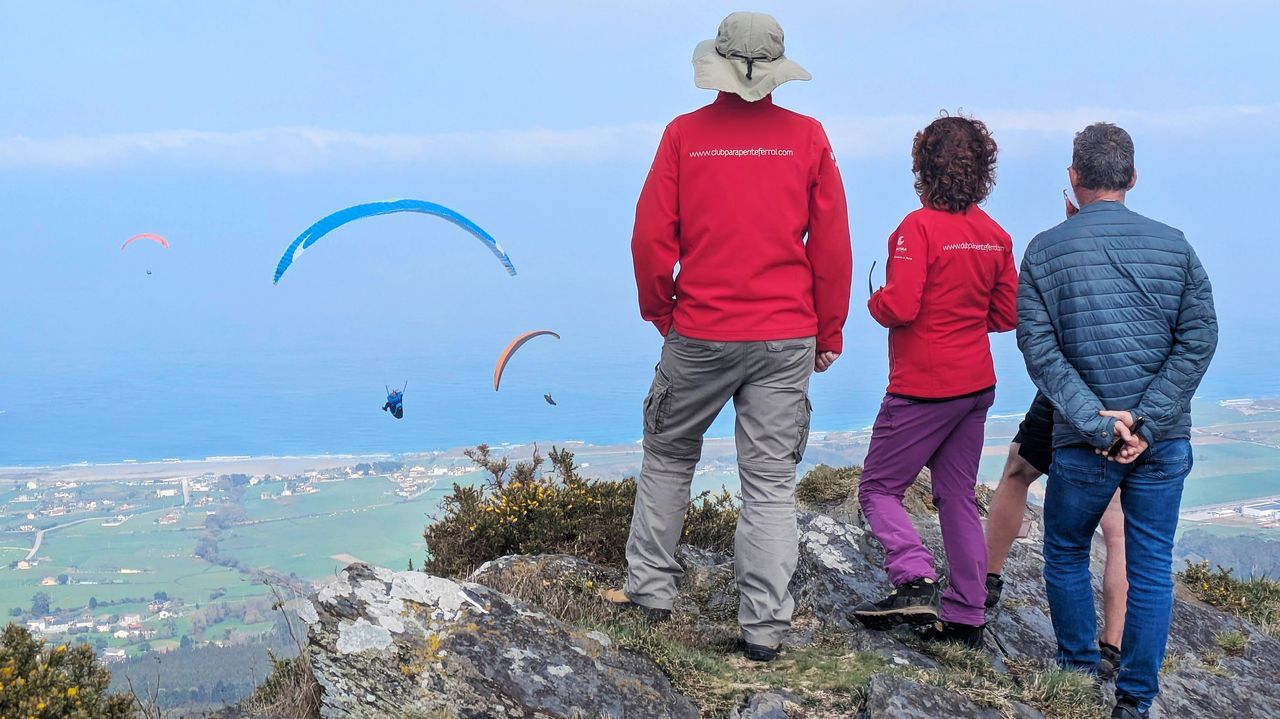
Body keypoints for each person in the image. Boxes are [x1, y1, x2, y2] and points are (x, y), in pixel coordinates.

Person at [601, 11, 852, 663]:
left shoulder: (684, 136)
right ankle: (764, 626)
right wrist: (829, 330)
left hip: (702, 329)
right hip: (785, 333)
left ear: (715, 63)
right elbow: (831, 248)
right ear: (774, 70)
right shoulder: (809, 138)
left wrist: (663, 311)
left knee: (668, 450)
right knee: (769, 481)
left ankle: (651, 590)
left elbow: (649, 240)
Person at [1017, 123, 1217, 719]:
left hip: (1084, 444)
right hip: (1163, 441)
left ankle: (1077, 678)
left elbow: (1039, 348)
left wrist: (1100, 425)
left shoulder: (1044, 250)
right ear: (1131, 178)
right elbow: (1199, 338)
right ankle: (1135, 702)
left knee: (1066, 549)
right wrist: (1149, 422)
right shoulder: (1175, 245)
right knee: (1153, 566)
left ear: (1073, 179)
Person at [852, 114, 1017, 650]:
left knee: (878, 488)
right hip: (974, 384)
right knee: (957, 497)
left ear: (924, 167)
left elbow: (900, 305)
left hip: (923, 386)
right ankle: (967, 614)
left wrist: (876, 302)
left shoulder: (915, 229)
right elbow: (1006, 314)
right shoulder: (995, 236)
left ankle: (914, 576)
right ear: (981, 171)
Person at [984, 397, 1129, 674]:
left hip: (1071, 394)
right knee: (1117, 521)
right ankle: (1113, 645)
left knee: (1018, 470)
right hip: (1132, 403)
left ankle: (987, 580)